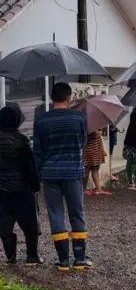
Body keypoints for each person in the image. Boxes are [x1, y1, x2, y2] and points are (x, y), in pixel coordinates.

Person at [33, 82, 92, 271]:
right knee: (77, 213)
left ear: (51, 98)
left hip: (49, 174)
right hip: (73, 172)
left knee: (56, 214)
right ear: (69, 98)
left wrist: (38, 173)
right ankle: (80, 260)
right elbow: (83, 142)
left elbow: (38, 151)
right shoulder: (79, 118)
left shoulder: (41, 120)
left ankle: (64, 261)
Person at [0, 105, 43, 266]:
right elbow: (30, 167)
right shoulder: (22, 139)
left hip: (1, 191)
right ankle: (32, 256)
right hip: (22, 189)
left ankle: (10, 256)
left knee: (4, 224)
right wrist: (35, 185)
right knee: (30, 224)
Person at [83, 130, 108, 195]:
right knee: (91, 170)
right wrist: (100, 131)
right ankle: (96, 189)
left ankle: (86, 189)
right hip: (94, 149)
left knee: (88, 170)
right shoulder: (93, 126)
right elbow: (95, 134)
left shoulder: (85, 124)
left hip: (89, 150)